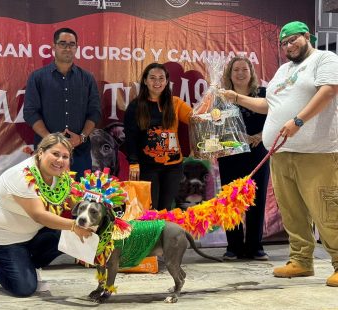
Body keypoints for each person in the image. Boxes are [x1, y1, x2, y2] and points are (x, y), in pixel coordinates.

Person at [221, 21, 338, 286]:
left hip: (317, 152)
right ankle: (300, 260)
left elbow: (330, 90)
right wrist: (236, 97)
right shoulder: (284, 70)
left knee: (327, 209)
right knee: (292, 212)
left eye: (293, 40)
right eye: (284, 43)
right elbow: (268, 105)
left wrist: (298, 121)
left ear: (307, 37)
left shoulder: (325, 58)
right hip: (282, 153)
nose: (288, 45)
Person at [0, 133, 92, 297]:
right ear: (40, 152)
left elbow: (76, 204)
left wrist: (96, 208)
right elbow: (39, 215)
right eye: (55, 154)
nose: (60, 160)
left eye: (65, 156)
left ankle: (29, 265)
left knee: (67, 235)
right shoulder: (21, 175)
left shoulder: (62, 175)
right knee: (24, 288)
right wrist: (74, 226)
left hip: (32, 234)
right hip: (3, 239)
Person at [23, 27, 101, 179]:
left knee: (78, 198)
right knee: (46, 198)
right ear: (54, 47)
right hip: (47, 151)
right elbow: (30, 112)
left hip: (79, 151)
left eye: (72, 44)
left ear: (76, 48)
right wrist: (51, 140)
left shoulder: (87, 78)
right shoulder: (37, 77)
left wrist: (81, 137)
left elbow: (95, 111)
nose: (67, 48)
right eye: (63, 43)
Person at [218, 56, 270, 261]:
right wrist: (233, 138)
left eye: (244, 69)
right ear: (229, 75)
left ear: (252, 72)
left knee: (256, 199)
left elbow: (277, 116)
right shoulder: (221, 97)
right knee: (230, 200)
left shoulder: (263, 94)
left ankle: (255, 246)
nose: (240, 73)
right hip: (230, 154)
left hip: (258, 152)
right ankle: (234, 246)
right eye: (236, 70)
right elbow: (213, 125)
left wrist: (261, 136)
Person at [124, 63, 192, 211]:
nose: (157, 82)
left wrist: (212, 105)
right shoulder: (136, 106)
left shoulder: (175, 103)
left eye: (161, 78)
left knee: (166, 209)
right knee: (150, 210)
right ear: (145, 81)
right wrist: (133, 162)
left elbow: (195, 118)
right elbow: (130, 137)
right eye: (153, 78)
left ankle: (164, 235)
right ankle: (154, 234)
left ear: (167, 81)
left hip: (173, 168)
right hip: (148, 167)